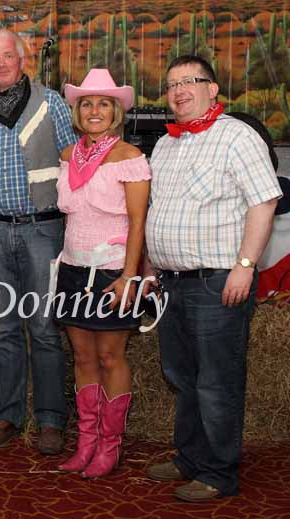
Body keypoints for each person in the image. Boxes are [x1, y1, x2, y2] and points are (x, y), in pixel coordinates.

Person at [143, 55, 281, 502]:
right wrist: (149, 268)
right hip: (172, 282)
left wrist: (245, 266)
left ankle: (219, 473)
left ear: (213, 89)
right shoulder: (165, 144)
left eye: (190, 81)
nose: (179, 90)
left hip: (216, 280)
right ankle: (189, 457)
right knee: (181, 376)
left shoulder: (237, 137)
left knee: (216, 382)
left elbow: (264, 203)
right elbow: (155, 211)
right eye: (172, 84)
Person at [0, 28, 77, 453]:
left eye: (9, 55)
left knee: (44, 327)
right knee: (5, 327)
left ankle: (50, 420)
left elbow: (74, 163)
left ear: (22, 61)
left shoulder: (52, 104)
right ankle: (7, 415)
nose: (2, 63)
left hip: (43, 229)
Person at [52, 69, 150, 478]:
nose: (94, 110)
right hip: (74, 269)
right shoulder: (66, 156)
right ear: (78, 111)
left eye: (103, 104)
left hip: (112, 272)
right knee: (82, 356)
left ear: (116, 113)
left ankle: (110, 446)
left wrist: (130, 276)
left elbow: (138, 222)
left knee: (111, 356)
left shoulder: (130, 158)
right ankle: (86, 442)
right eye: (87, 103)